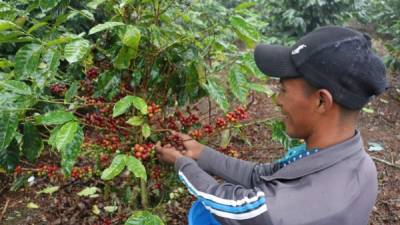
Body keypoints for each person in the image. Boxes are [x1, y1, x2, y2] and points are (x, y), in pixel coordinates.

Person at [155, 26, 387, 225]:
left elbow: (236, 206)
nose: (277, 99)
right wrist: (201, 153)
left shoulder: (315, 202)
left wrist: (182, 164)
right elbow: (263, 176)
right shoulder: (344, 159)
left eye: (283, 90)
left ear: (320, 101)